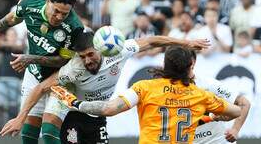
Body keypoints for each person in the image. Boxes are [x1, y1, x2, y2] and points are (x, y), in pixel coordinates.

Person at [0, 32, 210, 144]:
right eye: (82, 57)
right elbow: (42, 87)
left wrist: (186, 43)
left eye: (91, 54)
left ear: (101, 49)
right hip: (74, 114)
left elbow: (152, 41)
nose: (87, 61)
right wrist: (20, 116)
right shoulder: (73, 68)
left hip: (98, 116)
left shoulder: (117, 50)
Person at [50, 46, 241, 144]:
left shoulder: (145, 87)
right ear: (189, 67)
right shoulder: (201, 95)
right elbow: (236, 112)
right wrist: (207, 117)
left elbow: (108, 109)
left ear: (165, 65)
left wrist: (76, 103)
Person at [0, 0, 84, 144]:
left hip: (60, 79)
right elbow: (12, 18)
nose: (59, 17)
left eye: (64, 14)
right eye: (56, 11)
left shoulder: (74, 27)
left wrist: (30, 58)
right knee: (28, 132)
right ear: (48, 0)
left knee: (49, 132)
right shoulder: (29, 4)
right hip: (34, 75)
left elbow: (62, 61)